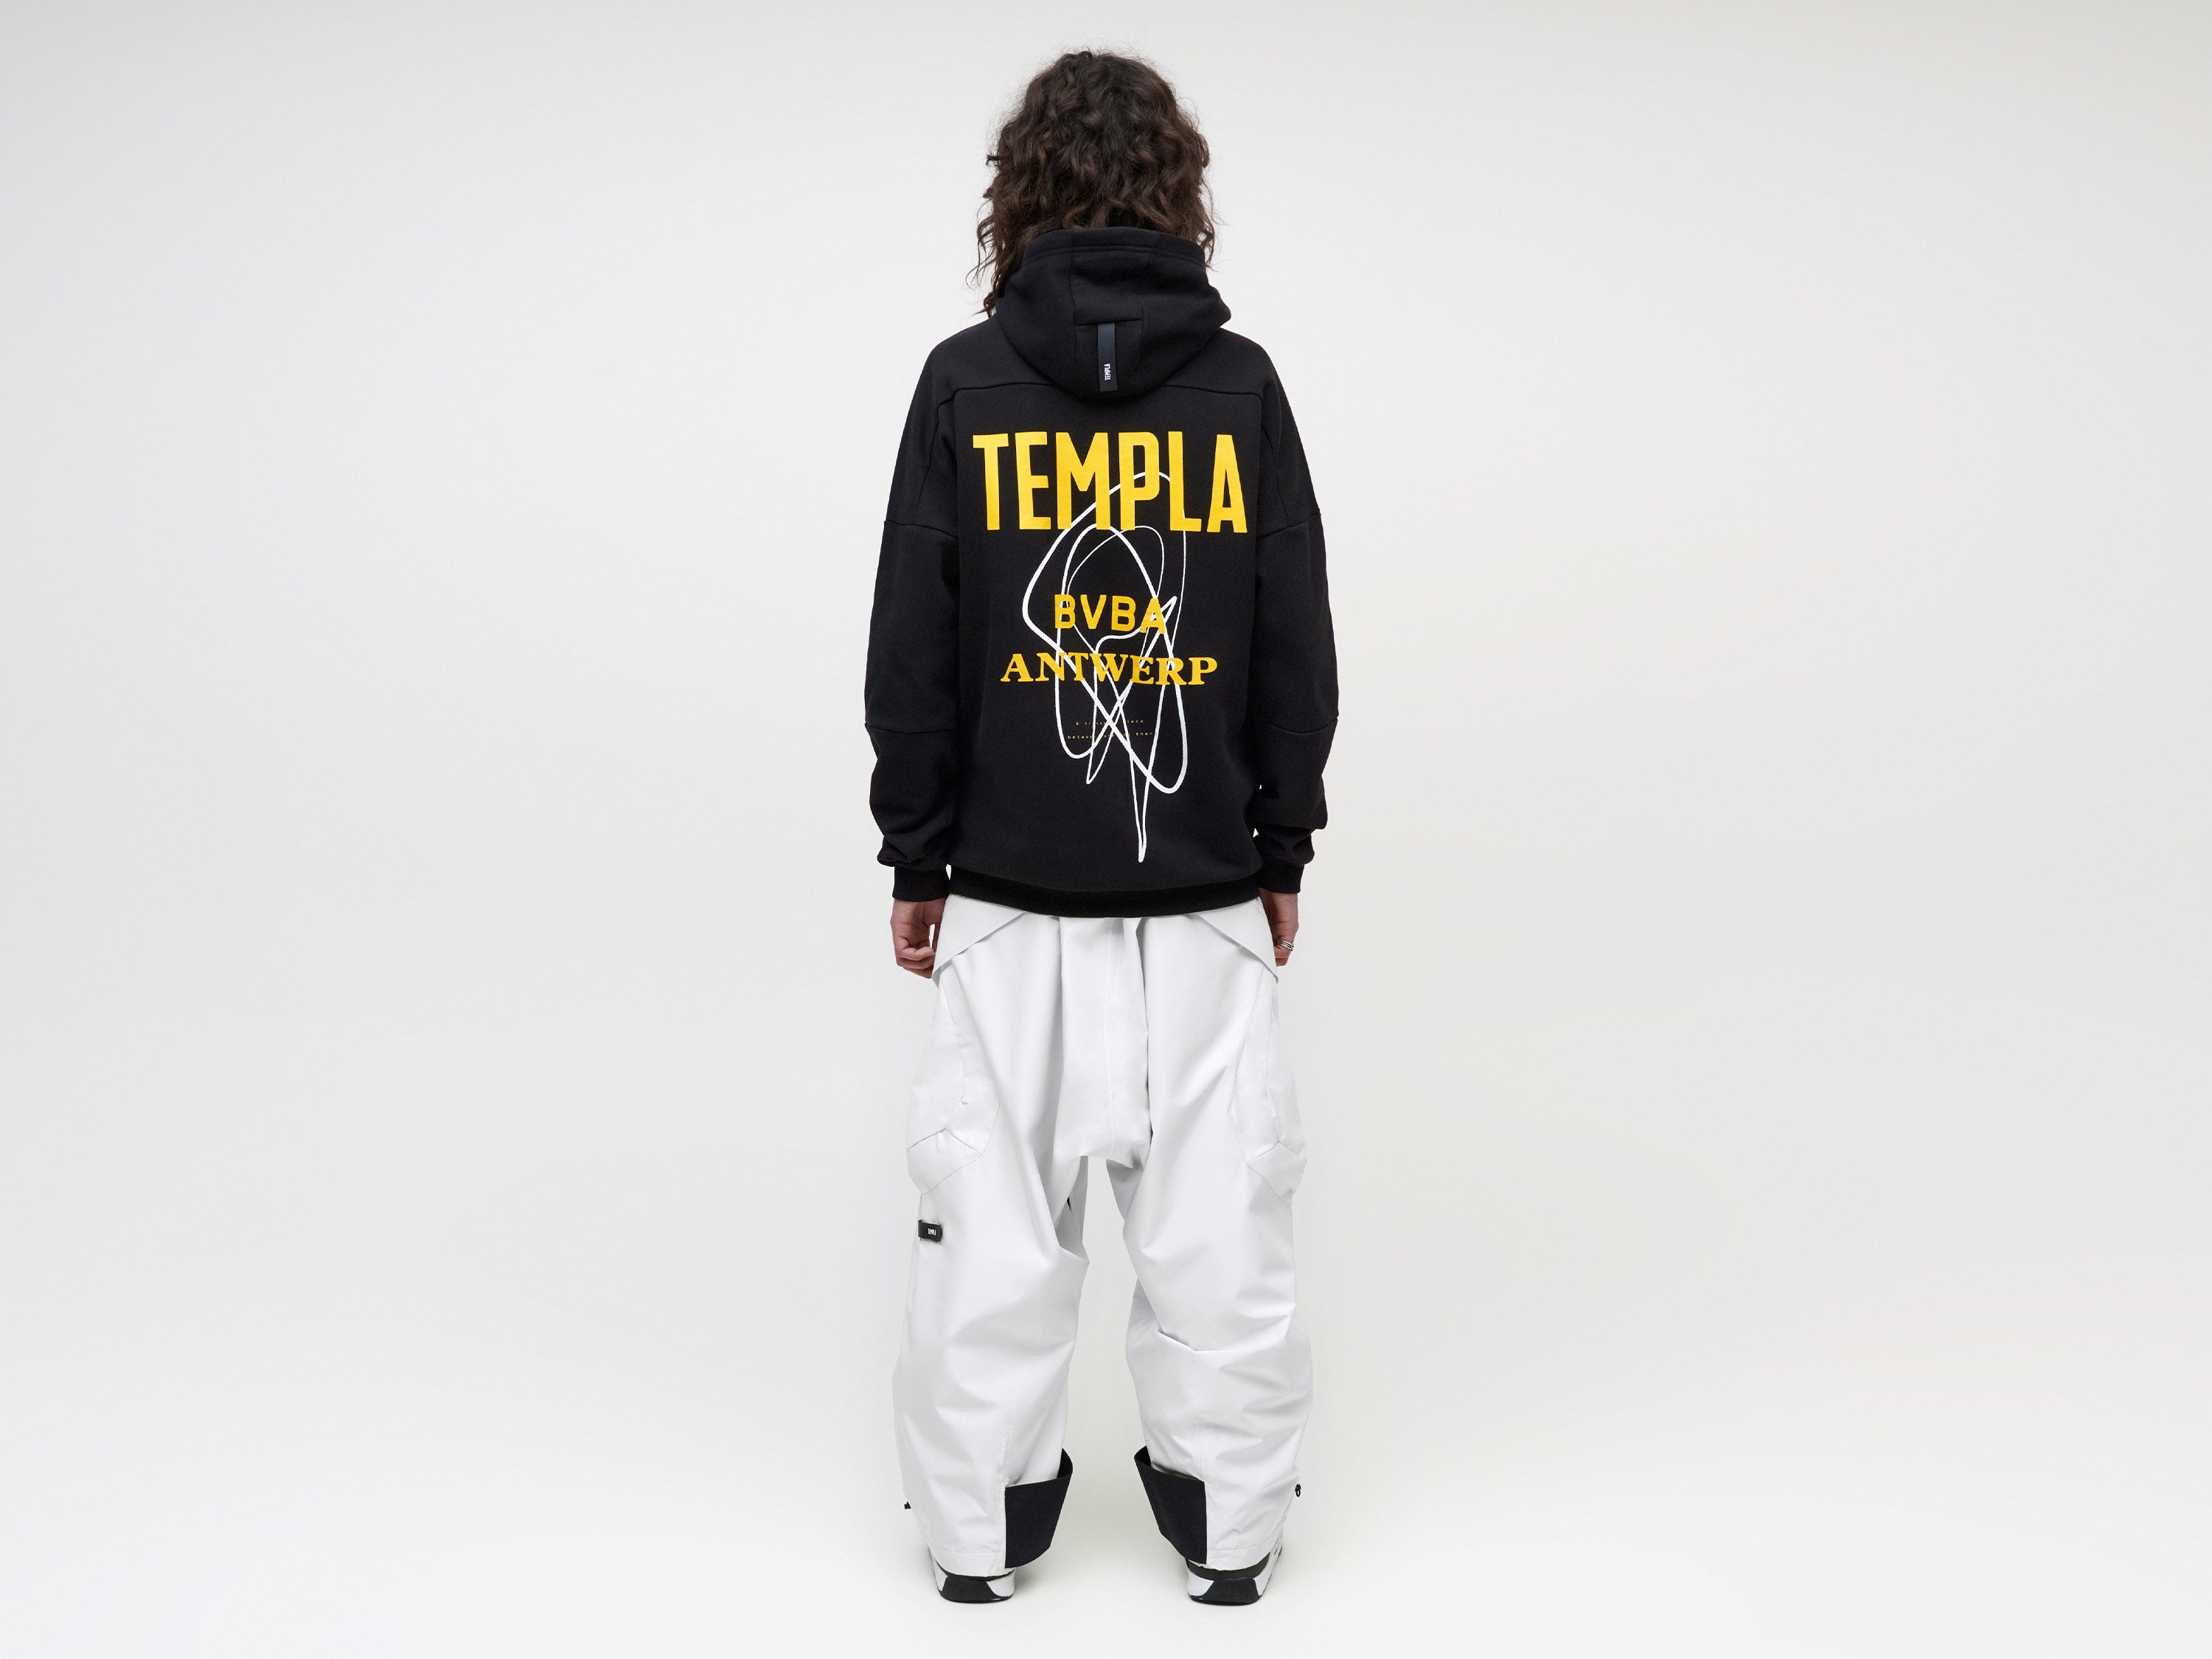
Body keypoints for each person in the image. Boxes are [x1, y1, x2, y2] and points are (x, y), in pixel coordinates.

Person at [864, 49, 1336, 1607]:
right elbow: (1294, 643)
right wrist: (1279, 847)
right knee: (1222, 1234)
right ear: (1177, 190)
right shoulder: (1239, 390)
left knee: (989, 1238)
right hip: (1201, 892)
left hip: (1007, 896)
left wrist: (917, 854)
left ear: (1018, 198)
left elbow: (913, 648)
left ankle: (978, 1546)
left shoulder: (965, 384)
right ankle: (1232, 1540)